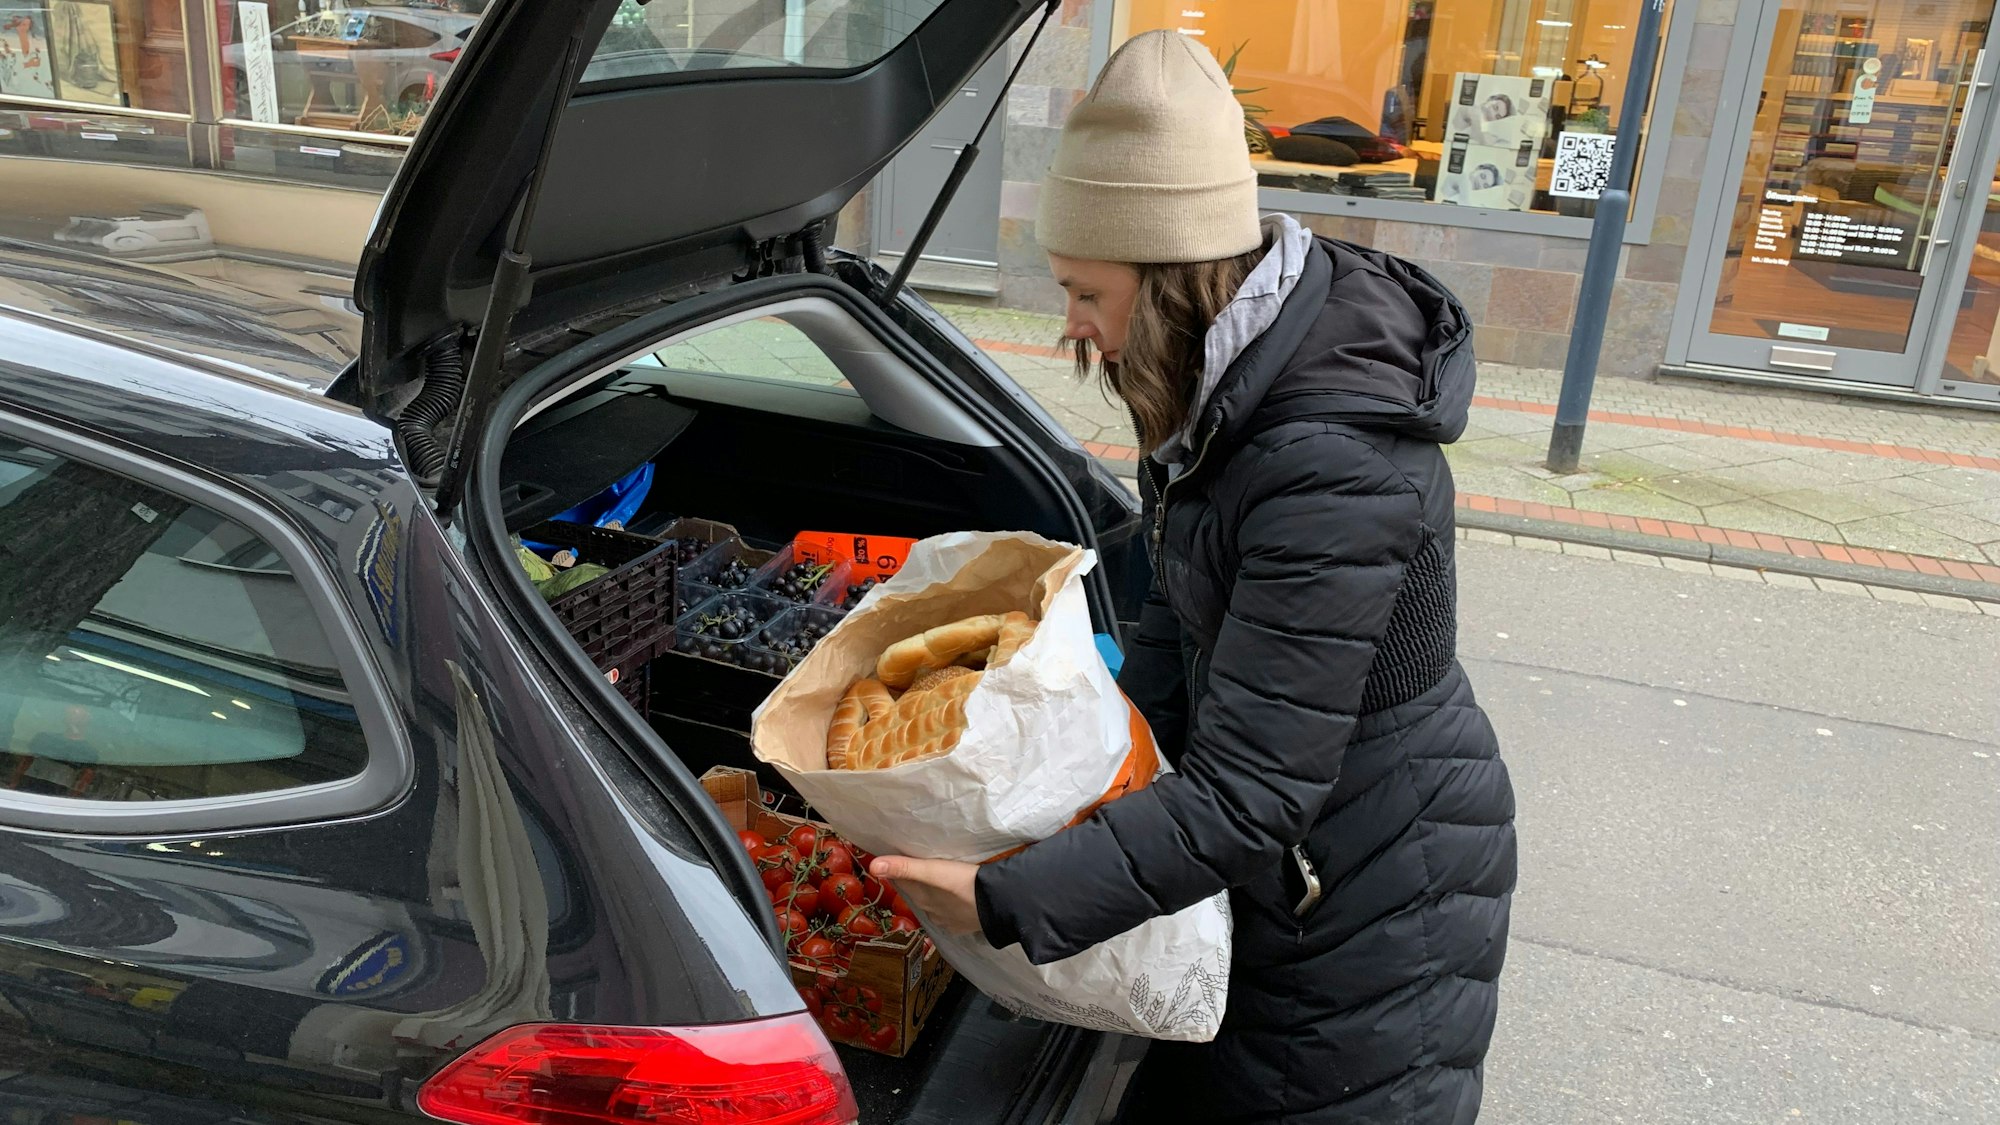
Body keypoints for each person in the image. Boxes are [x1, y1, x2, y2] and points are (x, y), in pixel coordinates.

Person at [872, 28, 1516, 1124]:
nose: (1072, 324)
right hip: (1291, 860)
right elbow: (1177, 620)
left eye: (1085, 291)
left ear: (1169, 276)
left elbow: (1257, 792)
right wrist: (1074, 778)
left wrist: (1007, 896)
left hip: (1367, 893)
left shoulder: (1325, 461)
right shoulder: (1223, 385)